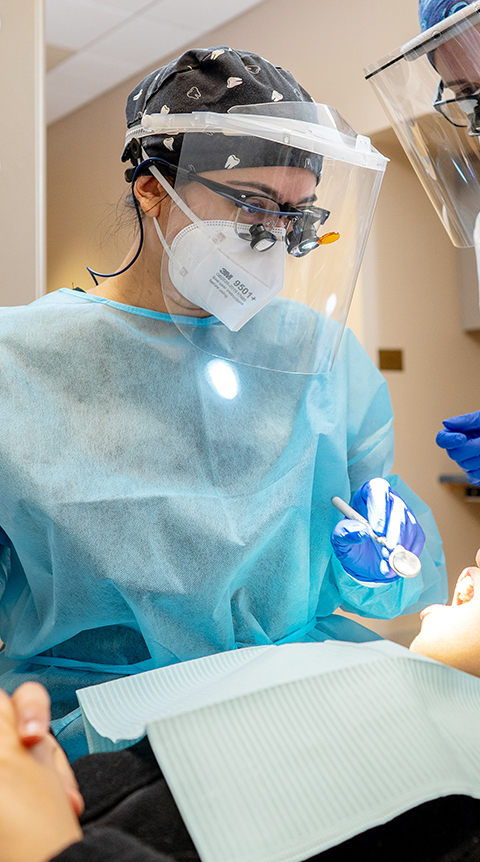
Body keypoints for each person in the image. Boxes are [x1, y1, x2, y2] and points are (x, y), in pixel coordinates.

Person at [0, 46, 447, 762]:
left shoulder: (321, 357)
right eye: (253, 204)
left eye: (298, 218)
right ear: (152, 186)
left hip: (300, 705)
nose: (273, 237)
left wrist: (384, 563)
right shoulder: (17, 364)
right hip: (105, 738)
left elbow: (387, 581)